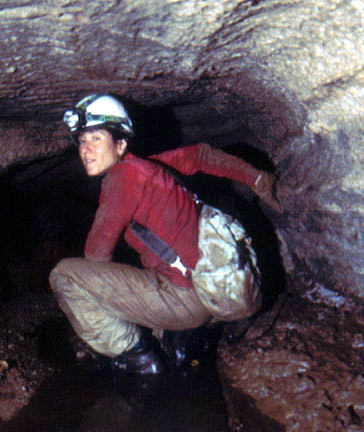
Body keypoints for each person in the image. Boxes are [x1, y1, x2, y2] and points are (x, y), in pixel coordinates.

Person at [50, 94, 282, 375]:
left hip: (186, 300)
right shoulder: (152, 167)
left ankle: (137, 357)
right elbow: (201, 156)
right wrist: (259, 180)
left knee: (65, 275)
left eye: (96, 139)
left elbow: (96, 255)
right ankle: (180, 337)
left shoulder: (121, 178)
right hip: (216, 290)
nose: (86, 149)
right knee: (147, 268)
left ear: (121, 144)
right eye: (82, 141)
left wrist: (117, 303)